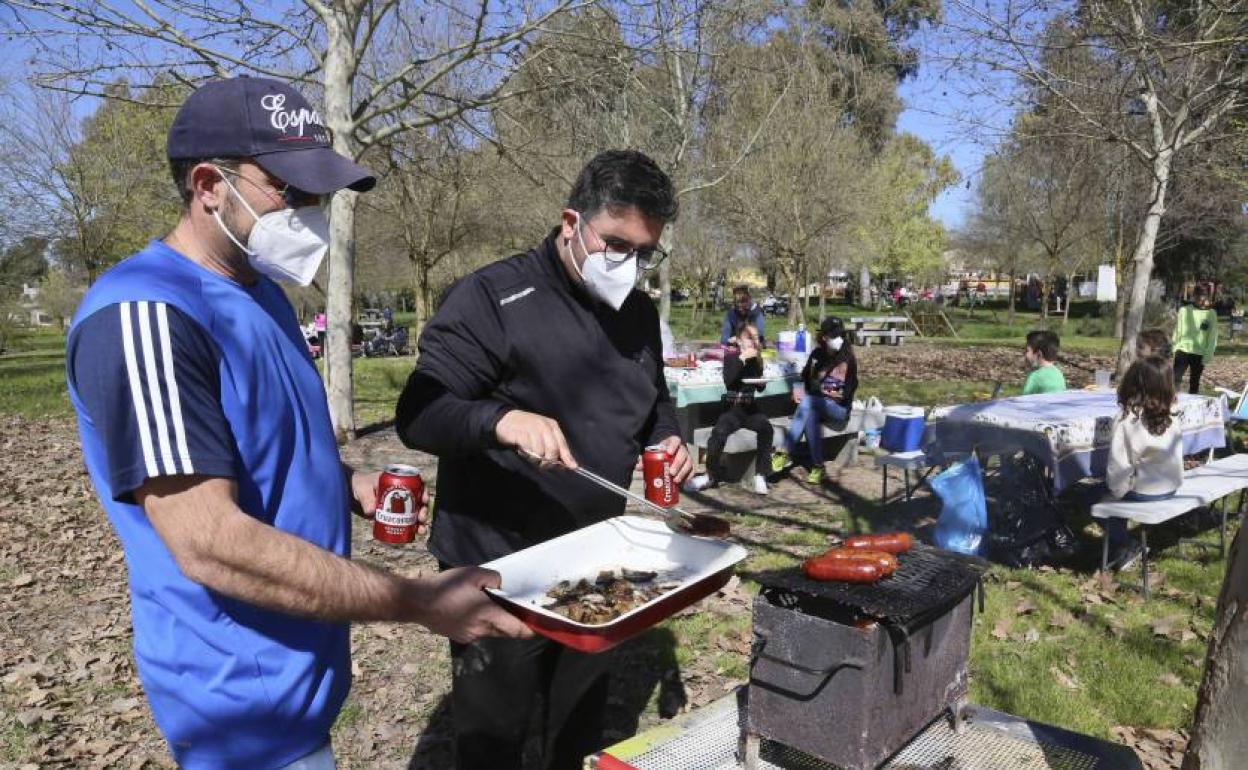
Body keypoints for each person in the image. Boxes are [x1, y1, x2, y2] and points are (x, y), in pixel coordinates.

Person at [64, 78, 529, 770]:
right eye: (290, 189)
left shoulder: (262, 295)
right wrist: (416, 599)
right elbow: (208, 543)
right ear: (207, 184)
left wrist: (343, 482)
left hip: (298, 672)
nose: (312, 211)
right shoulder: (146, 314)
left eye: (320, 194)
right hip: (238, 701)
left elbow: (257, 440)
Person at [394, 149, 692, 770]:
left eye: (644, 252)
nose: (628, 265)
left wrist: (667, 437)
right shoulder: (493, 297)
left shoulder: (637, 314)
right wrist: (500, 420)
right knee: (492, 733)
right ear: (569, 223)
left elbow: (654, 399)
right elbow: (419, 414)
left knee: (580, 725)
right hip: (500, 562)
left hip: (598, 557)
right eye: (616, 244)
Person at [1103, 356, 1183, 570]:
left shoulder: (1127, 418)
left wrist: (1116, 492)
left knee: (1090, 494)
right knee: (1115, 490)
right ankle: (1123, 540)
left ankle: (1126, 544)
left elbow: (1118, 466)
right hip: (1171, 486)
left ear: (1132, 383)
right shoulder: (1173, 413)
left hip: (1146, 491)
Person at [685, 322, 772, 495]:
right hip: (733, 407)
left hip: (750, 407)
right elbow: (729, 380)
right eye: (749, 338)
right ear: (739, 341)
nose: (754, 342)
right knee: (718, 434)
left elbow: (759, 387)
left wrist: (761, 382)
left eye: (756, 338)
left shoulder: (757, 360)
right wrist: (742, 359)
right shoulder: (731, 358)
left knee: (766, 429)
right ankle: (710, 474)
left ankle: (761, 474)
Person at [772, 316, 858, 484]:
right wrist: (798, 390)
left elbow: (846, 392)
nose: (838, 339)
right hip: (815, 405)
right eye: (834, 335)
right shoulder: (817, 354)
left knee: (809, 402)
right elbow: (803, 378)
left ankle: (784, 451)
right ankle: (818, 466)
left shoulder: (847, 358)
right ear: (824, 337)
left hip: (839, 409)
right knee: (809, 414)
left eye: (840, 335)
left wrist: (819, 390)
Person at [1173, 287, 1218, 394]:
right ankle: (1171, 401)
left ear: (1207, 298)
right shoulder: (1184, 311)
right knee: (1175, 378)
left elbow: (1213, 336)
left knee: (1194, 382)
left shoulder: (1211, 314)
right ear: (1194, 297)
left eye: (1204, 299)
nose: (1201, 302)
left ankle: (1193, 406)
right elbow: (1177, 330)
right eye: (1199, 299)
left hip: (1199, 353)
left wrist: (1208, 354)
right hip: (1183, 350)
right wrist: (1174, 346)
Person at [1022, 330, 1066, 395]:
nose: (1025, 354)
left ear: (1039, 354)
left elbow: (1022, 402)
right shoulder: (1058, 373)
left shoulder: (1035, 377)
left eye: (1027, 351)